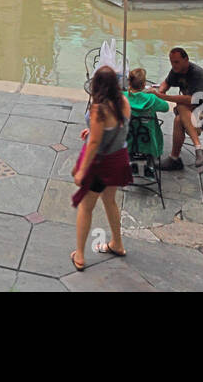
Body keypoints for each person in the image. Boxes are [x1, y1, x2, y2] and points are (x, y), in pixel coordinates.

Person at [70, 66, 132, 271]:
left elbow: (95, 143)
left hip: (101, 164)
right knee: (109, 201)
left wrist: (81, 171)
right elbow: (116, 127)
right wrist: (93, 129)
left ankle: (79, 254)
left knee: (86, 207)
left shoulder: (99, 109)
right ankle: (117, 244)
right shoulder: (122, 101)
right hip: (119, 159)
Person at [150, 47, 203, 170]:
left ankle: (190, 151)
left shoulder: (197, 74)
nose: (173, 65)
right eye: (171, 62)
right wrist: (161, 90)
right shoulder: (177, 70)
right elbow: (166, 82)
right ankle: (181, 156)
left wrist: (163, 96)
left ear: (186, 60)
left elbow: (191, 100)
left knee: (180, 106)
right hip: (192, 111)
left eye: (176, 62)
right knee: (178, 119)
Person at [125, 68, 175, 167]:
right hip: (148, 140)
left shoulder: (122, 97)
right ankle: (151, 162)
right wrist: (154, 94)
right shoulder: (151, 98)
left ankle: (130, 160)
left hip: (128, 138)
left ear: (129, 83)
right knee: (152, 125)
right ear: (144, 85)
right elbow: (165, 107)